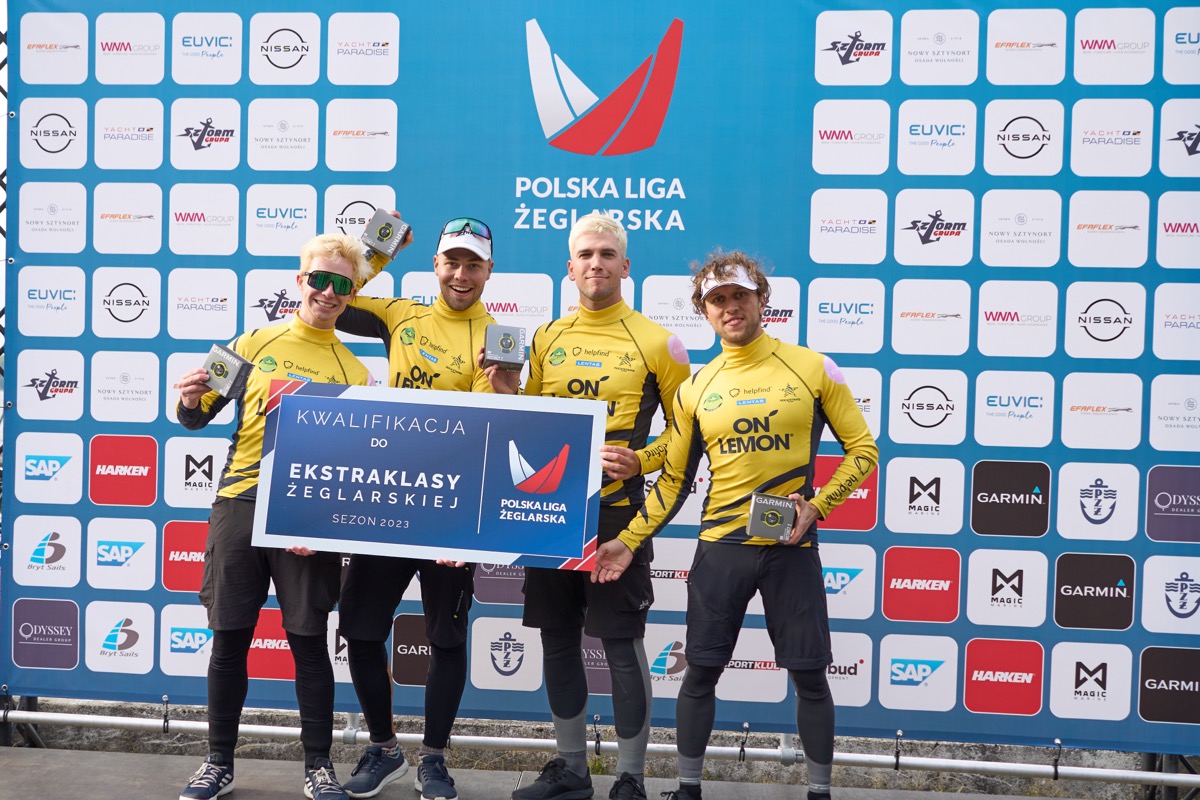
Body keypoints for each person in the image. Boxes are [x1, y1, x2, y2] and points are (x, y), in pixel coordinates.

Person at [593, 251, 879, 800]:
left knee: (810, 676)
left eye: (740, 296)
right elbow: (675, 479)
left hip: (790, 547)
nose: (730, 307)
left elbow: (863, 450)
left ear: (761, 299)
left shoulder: (813, 368)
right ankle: (689, 790)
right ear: (704, 310)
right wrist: (628, 542)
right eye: (717, 299)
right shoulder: (696, 388)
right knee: (700, 671)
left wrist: (818, 506)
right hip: (721, 549)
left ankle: (820, 793)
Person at [175, 233, 376, 800]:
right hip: (239, 503)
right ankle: (217, 764)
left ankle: (318, 767)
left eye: (342, 285)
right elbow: (196, 416)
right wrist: (189, 400)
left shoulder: (356, 371)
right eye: (320, 279)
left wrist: (324, 522)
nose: (329, 292)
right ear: (300, 281)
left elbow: (350, 465)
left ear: (352, 294)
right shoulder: (251, 341)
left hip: (305, 519)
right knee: (229, 639)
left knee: (309, 643)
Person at [335, 216, 518, 800]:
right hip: (390, 502)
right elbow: (336, 295)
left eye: (473, 265)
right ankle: (384, 748)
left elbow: (499, 432)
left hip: (453, 515)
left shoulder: (502, 337)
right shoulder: (402, 316)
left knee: (446, 639)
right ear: (435, 265)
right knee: (360, 629)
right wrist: (377, 248)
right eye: (452, 262)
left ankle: (434, 759)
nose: (461, 275)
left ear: (489, 271)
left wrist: (467, 528)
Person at [513, 214, 691, 800]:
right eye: (586, 254)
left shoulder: (658, 342)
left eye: (607, 254)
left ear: (625, 266)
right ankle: (571, 770)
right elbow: (529, 423)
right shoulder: (547, 336)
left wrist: (642, 459)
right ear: (570, 268)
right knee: (558, 638)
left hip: (618, 515)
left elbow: (685, 437)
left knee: (621, 643)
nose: (596, 263)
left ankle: (631, 778)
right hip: (550, 511)